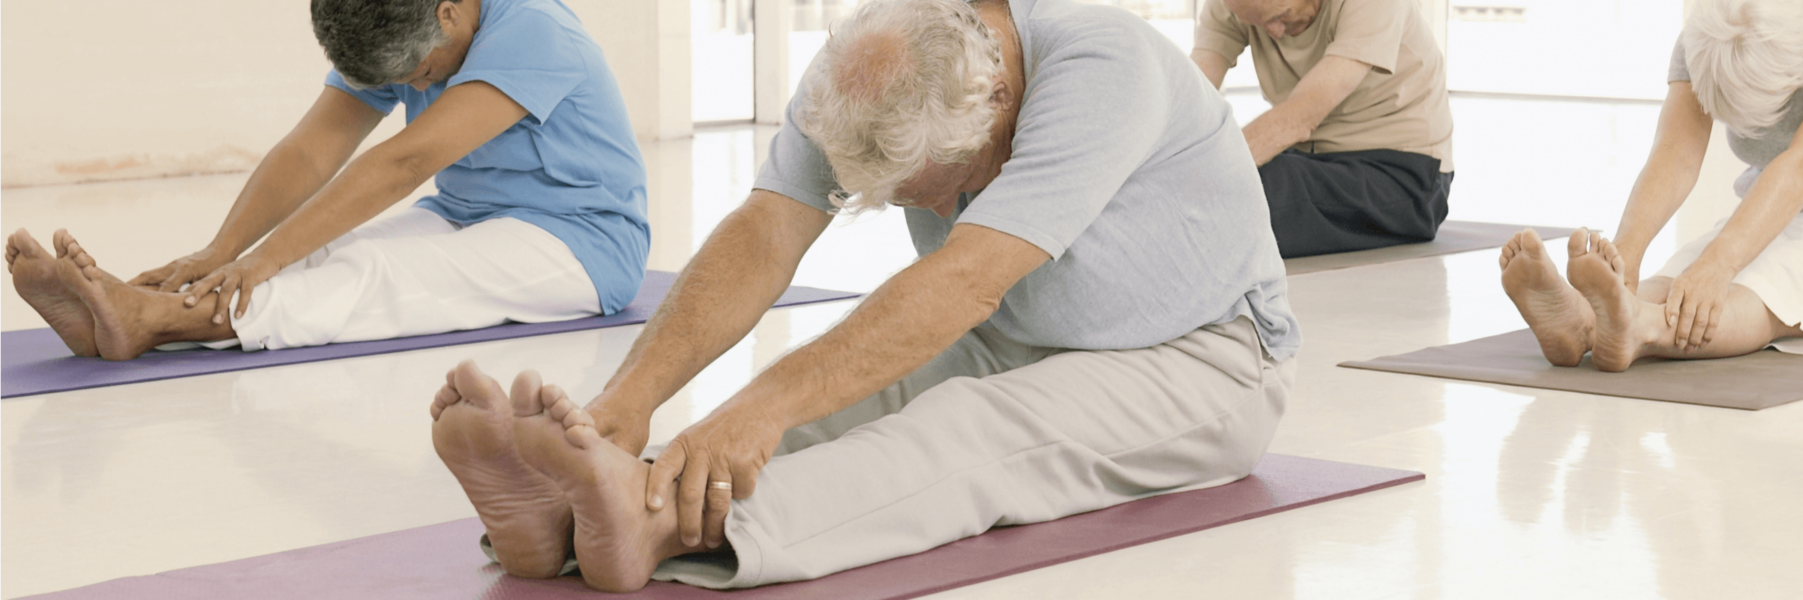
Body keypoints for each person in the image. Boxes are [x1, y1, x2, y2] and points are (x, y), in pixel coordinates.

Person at [426, 0, 1302, 591]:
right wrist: (629, 403)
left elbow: (964, 280)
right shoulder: (865, 57)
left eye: (936, 187)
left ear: (998, 99)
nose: (928, 209)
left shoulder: (1101, 64)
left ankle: (659, 532)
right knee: (796, 425)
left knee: (963, 432)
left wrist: (762, 403)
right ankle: (589, 514)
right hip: (1026, 330)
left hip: (1207, 355)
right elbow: (767, 231)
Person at [3, 0, 650, 361]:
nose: (422, 84)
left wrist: (259, 260)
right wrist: (221, 252)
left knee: (378, 273)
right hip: (465, 211)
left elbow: (403, 162)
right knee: (314, 254)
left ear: (450, 12)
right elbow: (313, 150)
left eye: (423, 72)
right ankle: (112, 322)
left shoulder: (537, 31)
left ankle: (157, 321)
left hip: (581, 242)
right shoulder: (396, 16)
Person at [1500, 0, 1803, 372]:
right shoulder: (1712, 32)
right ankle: (1584, 321)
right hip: (1779, 203)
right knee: (1683, 276)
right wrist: (1625, 261)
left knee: (1780, 283)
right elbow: (1676, 155)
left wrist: (1720, 264)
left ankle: (1641, 331)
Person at [1191, 0, 1454, 257]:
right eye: (1256, 23)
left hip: (1405, 173)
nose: (1273, 32)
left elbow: (1298, 119)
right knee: (1235, 184)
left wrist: (1200, 174)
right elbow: (1189, 98)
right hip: (1315, 161)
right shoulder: (1234, 4)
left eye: (1279, 16)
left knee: (1254, 188)